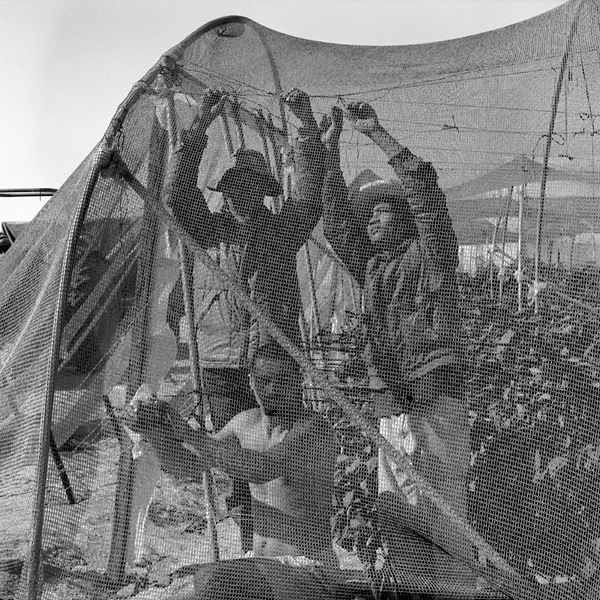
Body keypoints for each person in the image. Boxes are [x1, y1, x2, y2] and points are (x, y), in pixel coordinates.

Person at [165, 88, 326, 551]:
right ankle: (250, 549)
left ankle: (289, 546)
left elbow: (312, 198)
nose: (239, 197)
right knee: (233, 457)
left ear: (262, 195)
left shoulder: (280, 230)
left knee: (279, 455)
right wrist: (199, 129)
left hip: (271, 361)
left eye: (249, 190)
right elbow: (176, 195)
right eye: (233, 188)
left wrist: (308, 130)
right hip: (219, 361)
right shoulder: (210, 231)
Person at [318, 101, 471, 580]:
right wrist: (325, 149)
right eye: (369, 218)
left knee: (445, 517)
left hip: (433, 403)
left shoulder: (431, 255)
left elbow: (428, 194)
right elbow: (339, 224)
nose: (371, 222)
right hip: (394, 410)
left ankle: (450, 589)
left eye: (381, 211)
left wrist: (378, 135)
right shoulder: (372, 271)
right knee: (398, 512)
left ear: (404, 218)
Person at [127, 342, 341, 598]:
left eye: (282, 381)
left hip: (309, 567)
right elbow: (187, 465)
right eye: (264, 381)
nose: (272, 390)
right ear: (251, 382)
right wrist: (155, 431)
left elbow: (262, 467)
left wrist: (187, 432)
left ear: (299, 381)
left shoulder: (314, 429)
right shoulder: (245, 423)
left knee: (210, 581)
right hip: (263, 566)